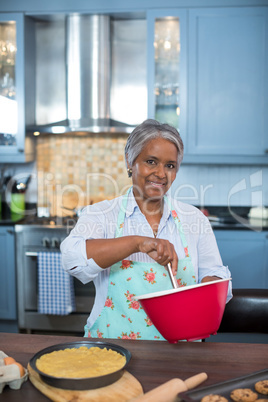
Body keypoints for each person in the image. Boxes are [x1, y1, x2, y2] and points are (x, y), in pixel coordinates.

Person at [61, 119, 232, 340]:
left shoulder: (194, 219)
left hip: (182, 349)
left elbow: (216, 275)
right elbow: (71, 259)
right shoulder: (102, 214)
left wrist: (209, 288)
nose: (161, 173)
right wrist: (137, 242)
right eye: (151, 162)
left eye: (170, 165)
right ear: (130, 162)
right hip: (113, 349)